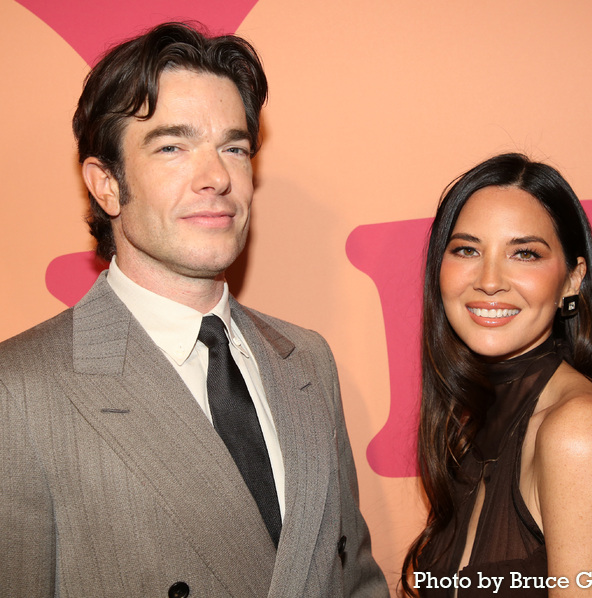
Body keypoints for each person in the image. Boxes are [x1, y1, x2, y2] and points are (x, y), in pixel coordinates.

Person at [0, 22, 388, 598]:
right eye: (173, 147)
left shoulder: (307, 361)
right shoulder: (20, 390)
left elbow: (354, 578)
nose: (216, 178)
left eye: (233, 147)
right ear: (107, 186)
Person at [402, 153, 592, 597]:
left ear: (573, 280)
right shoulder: (469, 427)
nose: (490, 280)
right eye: (467, 250)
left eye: (524, 253)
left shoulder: (579, 432)